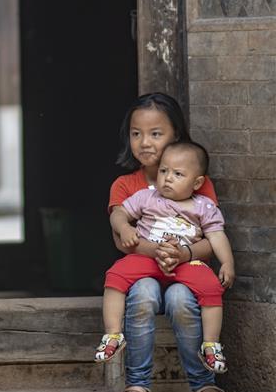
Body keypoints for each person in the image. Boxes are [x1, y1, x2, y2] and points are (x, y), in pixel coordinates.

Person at [104, 93, 227, 392]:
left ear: (176, 135)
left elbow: (211, 239)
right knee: (143, 293)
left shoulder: (197, 183)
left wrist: (183, 254)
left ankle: (204, 385)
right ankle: (137, 387)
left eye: (156, 133)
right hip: (142, 272)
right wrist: (159, 250)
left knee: (180, 299)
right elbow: (122, 239)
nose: (145, 142)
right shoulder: (125, 185)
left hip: (186, 272)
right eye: (136, 133)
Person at [96, 140, 234, 375]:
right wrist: (125, 228)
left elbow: (216, 236)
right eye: (163, 171)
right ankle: (113, 335)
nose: (168, 178)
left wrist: (228, 263)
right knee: (115, 275)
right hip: (148, 260)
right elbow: (118, 214)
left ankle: (211, 345)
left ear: (197, 182)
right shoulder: (146, 197)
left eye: (178, 174)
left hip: (185, 263)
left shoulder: (204, 206)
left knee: (212, 287)